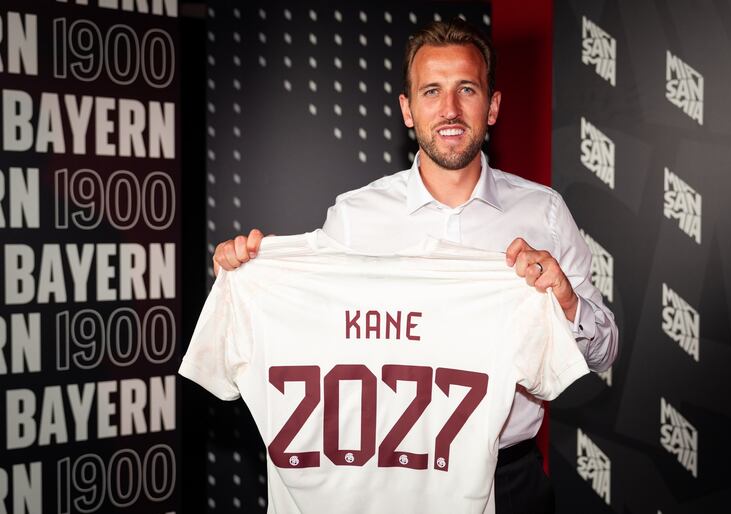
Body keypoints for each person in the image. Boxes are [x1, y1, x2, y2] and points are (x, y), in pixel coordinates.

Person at [212, 18, 618, 514]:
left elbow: (604, 352)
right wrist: (251, 278)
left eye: (466, 89)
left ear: (492, 106)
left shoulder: (545, 213)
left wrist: (567, 302)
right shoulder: (354, 217)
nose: (450, 109)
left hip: (509, 478)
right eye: (431, 91)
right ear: (408, 109)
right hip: (388, 480)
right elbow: (310, 327)